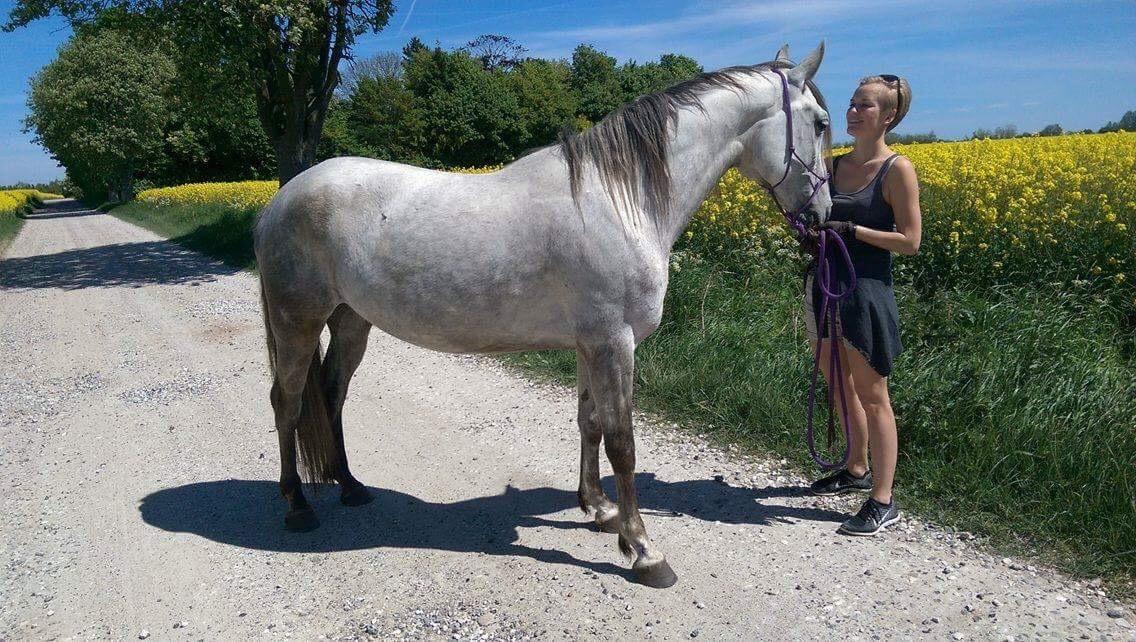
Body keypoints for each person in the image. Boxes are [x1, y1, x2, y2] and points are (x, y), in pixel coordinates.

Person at [804, 74, 922, 536]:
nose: (853, 112)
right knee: (837, 382)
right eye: (852, 104)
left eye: (865, 106)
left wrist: (853, 232)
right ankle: (855, 467)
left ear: (889, 115)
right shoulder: (831, 166)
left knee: (874, 397)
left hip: (867, 293)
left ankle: (883, 498)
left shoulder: (897, 170)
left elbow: (910, 241)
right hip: (827, 285)